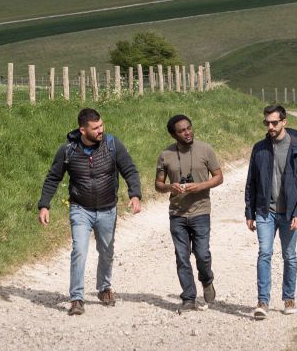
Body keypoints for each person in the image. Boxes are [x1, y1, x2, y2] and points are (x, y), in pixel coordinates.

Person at [38, 107, 142, 316]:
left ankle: (104, 288)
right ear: (83, 130)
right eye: (95, 128)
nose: (101, 130)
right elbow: (53, 178)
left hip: (107, 209)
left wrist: (135, 194)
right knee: (79, 251)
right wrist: (44, 205)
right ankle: (77, 298)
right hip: (80, 209)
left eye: (101, 125)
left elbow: (129, 169)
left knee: (106, 252)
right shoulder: (67, 150)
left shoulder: (113, 145)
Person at [244, 103, 297, 319]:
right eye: (267, 123)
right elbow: (251, 182)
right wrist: (249, 212)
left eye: (274, 122)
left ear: (284, 122)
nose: (271, 126)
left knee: (289, 255)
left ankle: (289, 297)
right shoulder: (259, 148)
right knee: (264, 253)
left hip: (289, 213)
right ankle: (262, 302)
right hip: (265, 211)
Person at [155, 113, 224, 313]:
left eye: (189, 128)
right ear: (173, 135)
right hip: (177, 213)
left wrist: (200, 186)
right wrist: (170, 188)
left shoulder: (206, 149)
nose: (187, 132)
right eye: (182, 130)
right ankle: (188, 298)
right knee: (182, 257)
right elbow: (158, 185)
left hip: (201, 210)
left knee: (202, 254)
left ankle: (207, 280)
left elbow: (219, 177)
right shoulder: (165, 155)